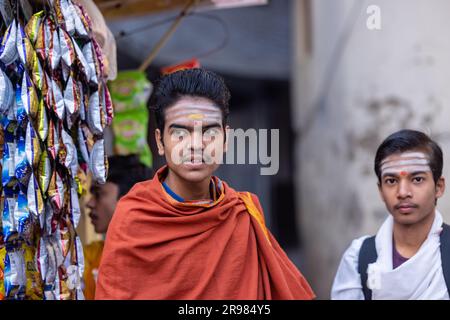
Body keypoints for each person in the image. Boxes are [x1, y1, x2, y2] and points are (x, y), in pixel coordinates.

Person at [95, 68, 315, 299]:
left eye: (209, 132)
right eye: (180, 134)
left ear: (226, 140)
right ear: (160, 141)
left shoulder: (242, 213)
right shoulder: (134, 216)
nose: (196, 144)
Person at [331, 129, 450, 300]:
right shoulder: (359, 258)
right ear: (380, 190)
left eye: (417, 179)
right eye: (391, 181)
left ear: (439, 187)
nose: (402, 192)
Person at [83, 155, 152, 300]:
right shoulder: (92, 255)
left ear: (130, 200)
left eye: (98, 193)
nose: (89, 203)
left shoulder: (159, 259)